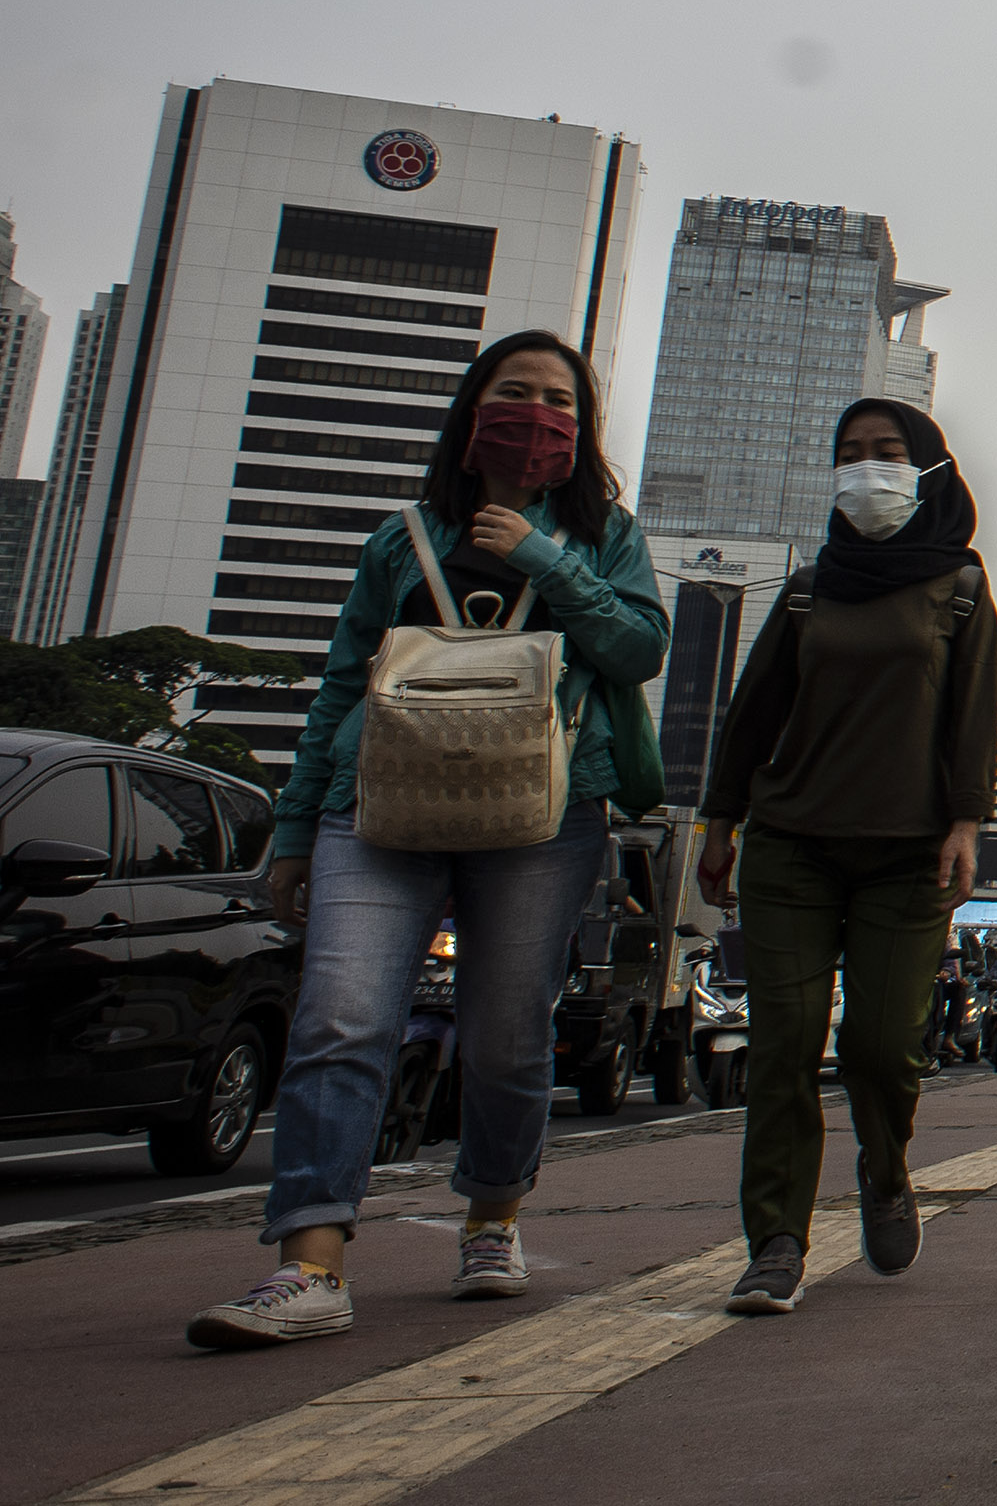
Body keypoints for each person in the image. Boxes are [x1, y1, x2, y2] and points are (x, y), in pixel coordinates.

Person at [188, 333, 667, 1350]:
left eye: (559, 401)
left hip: (542, 814)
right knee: (339, 1017)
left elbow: (638, 650)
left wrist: (541, 558)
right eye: (515, 393)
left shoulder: (606, 536)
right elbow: (340, 683)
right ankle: (311, 1264)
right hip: (378, 805)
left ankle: (492, 1216)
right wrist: (294, 831)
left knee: (507, 1033)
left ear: (582, 428)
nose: (537, 415)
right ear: (472, 411)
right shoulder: (400, 537)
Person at [696, 399, 997, 1317]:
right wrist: (720, 822)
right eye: (851, 453)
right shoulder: (807, 589)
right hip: (792, 843)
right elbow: (753, 712)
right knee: (784, 1045)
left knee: (879, 1047)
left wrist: (965, 825)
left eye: (888, 452)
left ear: (929, 469)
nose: (867, 469)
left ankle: (886, 1168)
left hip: (909, 855)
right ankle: (775, 1243)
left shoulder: (959, 588)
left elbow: (974, 716)